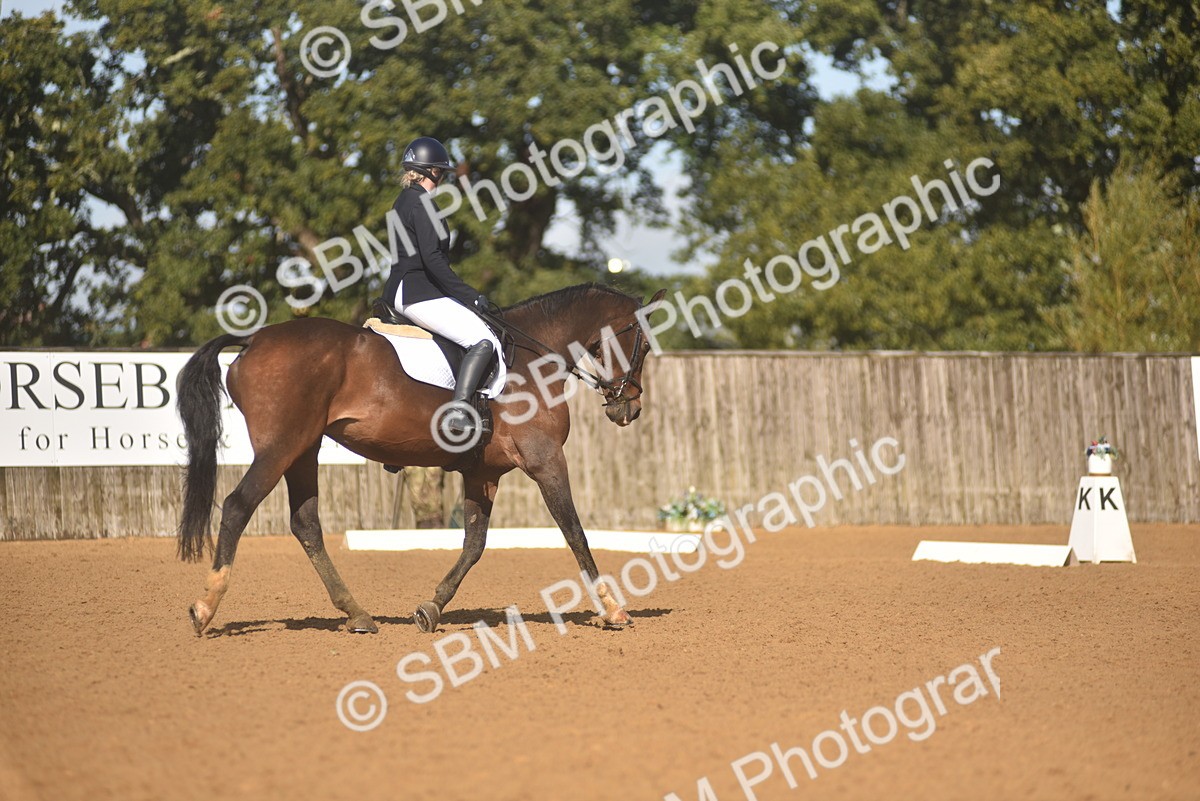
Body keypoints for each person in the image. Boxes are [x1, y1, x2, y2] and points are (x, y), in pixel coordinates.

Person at [382, 136, 500, 440]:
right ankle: (459, 412)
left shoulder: (403, 201)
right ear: (431, 171)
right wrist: (470, 297)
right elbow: (433, 260)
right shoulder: (421, 204)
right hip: (418, 292)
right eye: (442, 171)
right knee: (482, 340)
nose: (444, 177)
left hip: (400, 288)